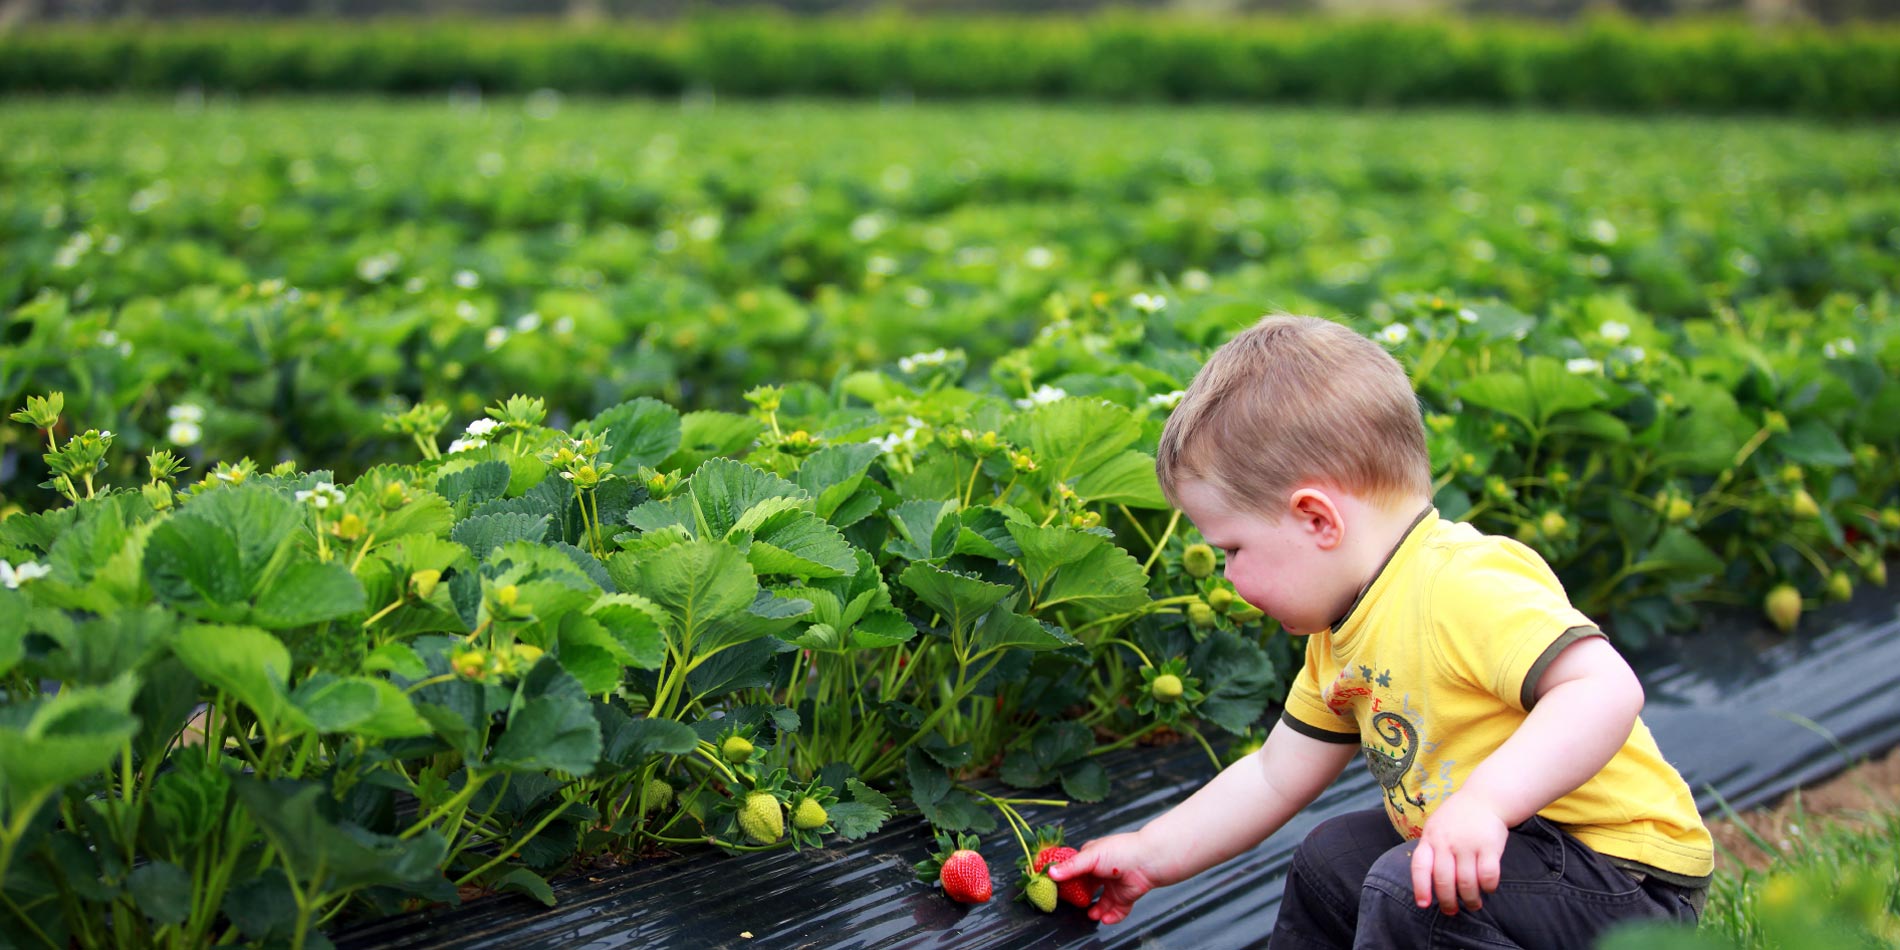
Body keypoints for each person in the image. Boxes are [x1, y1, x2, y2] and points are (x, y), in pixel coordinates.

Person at [1047, 314, 1712, 948]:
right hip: (1510, 864)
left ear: (1317, 519)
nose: (1227, 577)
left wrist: (1484, 804)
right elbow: (1275, 777)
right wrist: (1149, 855)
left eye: (1233, 549)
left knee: (1410, 890)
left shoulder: (1460, 582)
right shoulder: (1340, 634)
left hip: (1620, 883)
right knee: (1330, 856)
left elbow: (1603, 689)